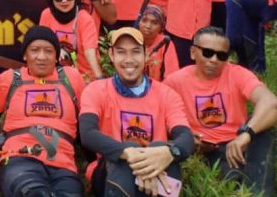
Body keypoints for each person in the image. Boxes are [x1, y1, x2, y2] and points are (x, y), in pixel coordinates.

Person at [164, 26, 277, 196]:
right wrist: (185, 137)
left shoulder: (238, 74)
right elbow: (159, 116)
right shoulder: (175, 82)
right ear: (192, 52)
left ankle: (260, 193)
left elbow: (271, 103)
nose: (214, 60)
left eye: (221, 55)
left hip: (237, 143)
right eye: (207, 52)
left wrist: (246, 134)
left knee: (264, 129)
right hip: (204, 149)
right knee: (231, 179)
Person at [79, 27, 194, 197]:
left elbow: (186, 137)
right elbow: (87, 134)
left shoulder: (167, 94)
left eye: (135, 52)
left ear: (146, 55)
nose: (129, 59)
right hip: (109, 170)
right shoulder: (96, 90)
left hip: (156, 168)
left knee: (161, 149)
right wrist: (128, 153)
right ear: (112, 56)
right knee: (127, 150)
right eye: (121, 52)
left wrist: (169, 152)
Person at [0, 26, 86, 197]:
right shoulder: (10, 79)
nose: (41, 57)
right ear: (25, 55)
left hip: (63, 164)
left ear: (56, 56)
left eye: (48, 51)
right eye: (34, 50)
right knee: (33, 193)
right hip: (19, 158)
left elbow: (88, 125)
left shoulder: (71, 78)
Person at [39, 0, 104, 80]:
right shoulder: (46, 14)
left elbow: (90, 51)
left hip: (84, 76)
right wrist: (55, 49)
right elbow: (42, 43)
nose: (64, 1)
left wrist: (99, 78)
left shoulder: (84, 18)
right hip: (55, 75)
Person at [138, 5, 179, 82]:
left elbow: (171, 76)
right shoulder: (131, 39)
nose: (148, 26)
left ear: (161, 27)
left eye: (154, 23)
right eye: (144, 20)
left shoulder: (165, 43)